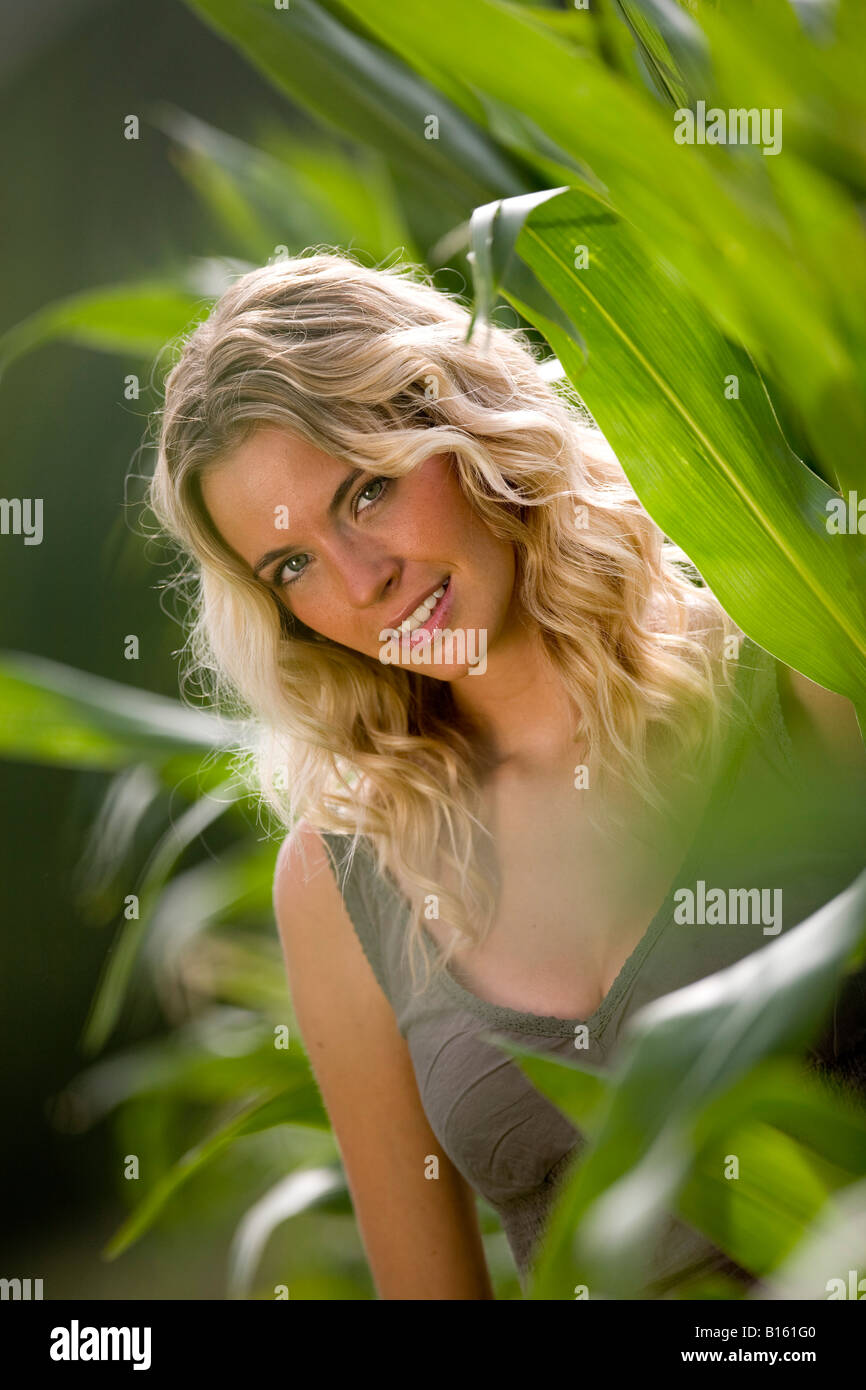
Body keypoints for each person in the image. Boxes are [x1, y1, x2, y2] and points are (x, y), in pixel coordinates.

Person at [148, 249, 866, 1300]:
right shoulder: (343, 883)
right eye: (289, 565)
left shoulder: (797, 671)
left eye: (366, 490)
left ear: (468, 429)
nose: (360, 581)